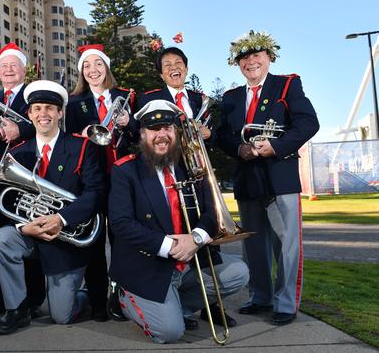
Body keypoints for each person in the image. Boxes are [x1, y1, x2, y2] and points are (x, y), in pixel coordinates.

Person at [108, 99, 248, 343]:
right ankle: (124, 297)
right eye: (154, 129)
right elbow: (121, 223)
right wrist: (170, 246)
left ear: (176, 132)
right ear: (142, 133)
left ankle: (173, 307)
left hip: (188, 263)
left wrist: (196, 239)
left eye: (168, 128)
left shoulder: (193, 168)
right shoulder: (125, 171)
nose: (162, 135)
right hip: (148, 265)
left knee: (239, 272)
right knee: (170, 333)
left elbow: (214, 213)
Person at [216, 30, 319, 326]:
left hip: (280, 177)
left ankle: (285, 303)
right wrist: (240, 147)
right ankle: (259, 296)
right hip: (248, 178)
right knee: (254, 244)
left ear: (269, 57)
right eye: (244, 57)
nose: (251, 61)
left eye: (257, 55)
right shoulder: (231, 97)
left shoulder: (287, 85)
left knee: (286, 244)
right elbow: (223, 135)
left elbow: (309, 123)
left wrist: (275, 146)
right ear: (237, 64)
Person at [0, 80, 105, 334]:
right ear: (29, 114)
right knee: (0, 239)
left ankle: (81, 294)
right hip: (31, 234)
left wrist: (61, 219)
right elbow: (6, 201)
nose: (44, 114)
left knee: (61, 316)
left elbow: (95, 192)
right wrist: (23, 226)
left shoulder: (81, 146)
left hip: (65, 240)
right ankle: (16, 308)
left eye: (50, 108)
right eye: (38, 108)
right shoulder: (18, 153)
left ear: (60, 113)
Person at [0, 43, 46, 317]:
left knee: (29, 237)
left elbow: (45, 123)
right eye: (4, 66)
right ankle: (2, 298)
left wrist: (21, 129)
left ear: (23, 69)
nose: (9, 69)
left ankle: (34, 299)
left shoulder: (34, 95)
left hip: (27, 175)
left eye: (14, 65)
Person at [65, 44, 138, 321]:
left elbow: (139, 135)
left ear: (106, 68)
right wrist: (81, 134)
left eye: (97, 64)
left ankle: (123, 297)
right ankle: (97, 301)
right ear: (82, 72)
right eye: (87, 66)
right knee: (94, 241)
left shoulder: (125, 96)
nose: (92, 70)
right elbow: (68, 141)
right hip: (92, 179)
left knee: (123, 239)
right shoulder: (75, 102)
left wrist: (127, 123)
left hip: (123, 177)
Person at [138, 46, 211, 140]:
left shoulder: (200, 99)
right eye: (167, 65)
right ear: (162, 76)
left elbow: (217, 135)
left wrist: (209, 135)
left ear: (186, 69)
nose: (173, 67)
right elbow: (140, 134)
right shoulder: (149, 99)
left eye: (178, 62)